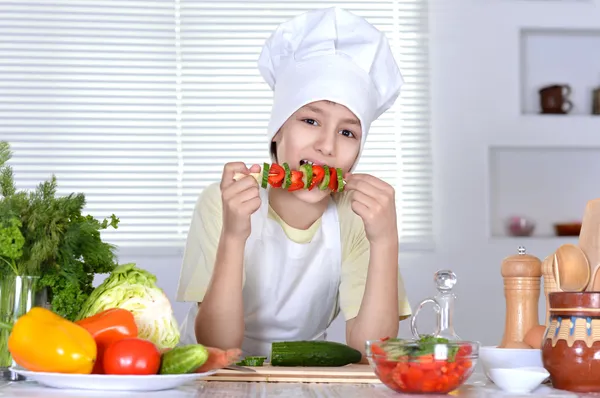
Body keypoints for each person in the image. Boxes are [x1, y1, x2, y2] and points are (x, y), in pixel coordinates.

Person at [176, 6, 412, 359]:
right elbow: (219, 347)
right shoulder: (222, 201)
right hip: (211, 375)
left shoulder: (355, 216)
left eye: (347, 131)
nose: (327, 146)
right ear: (278, 131)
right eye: (310, 121)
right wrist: (234, 235)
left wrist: (386, 240)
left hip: (303, 375)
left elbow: (370, 351)